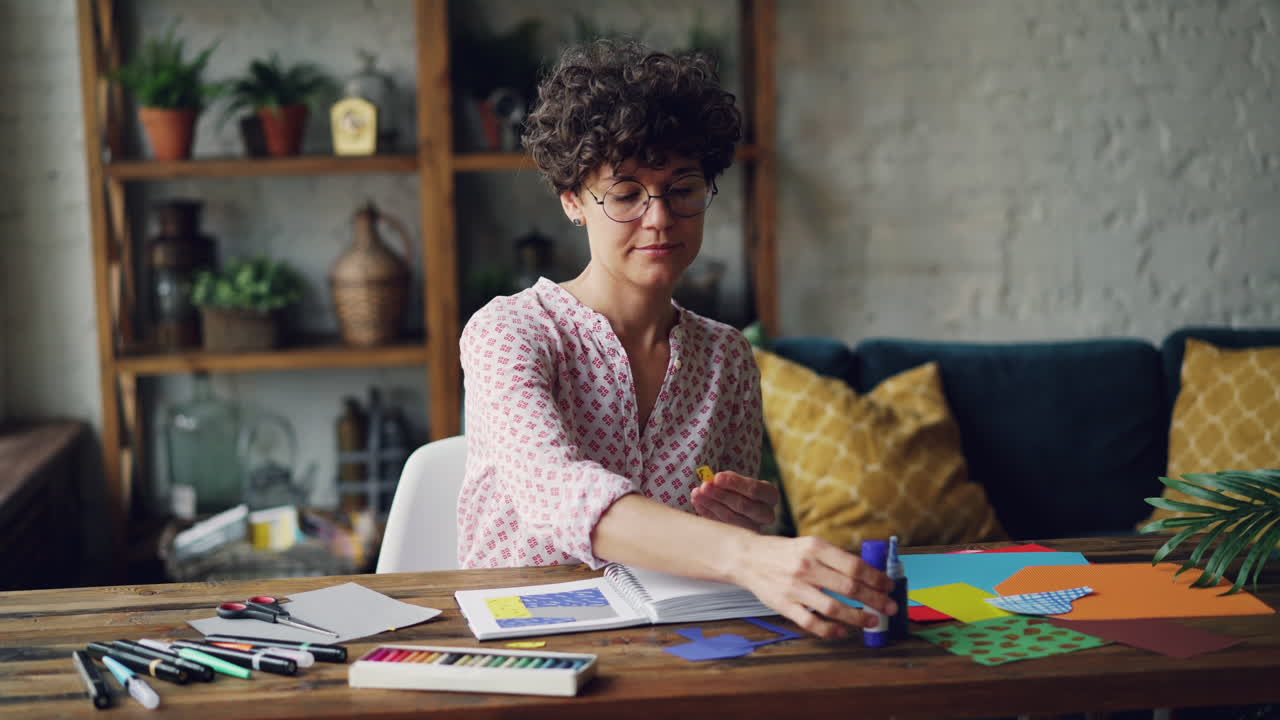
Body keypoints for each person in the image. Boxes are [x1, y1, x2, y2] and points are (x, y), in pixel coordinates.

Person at [457, 39, 896, 639]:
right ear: (572, 202)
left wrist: (745, 525)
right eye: (626, 194)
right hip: (531, 643)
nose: (660, 217)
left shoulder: (728, 357)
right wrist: (748, 556)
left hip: (678, 643)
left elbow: (726, 551)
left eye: (683, 188)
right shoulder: (509, 332)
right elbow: (555, 493)